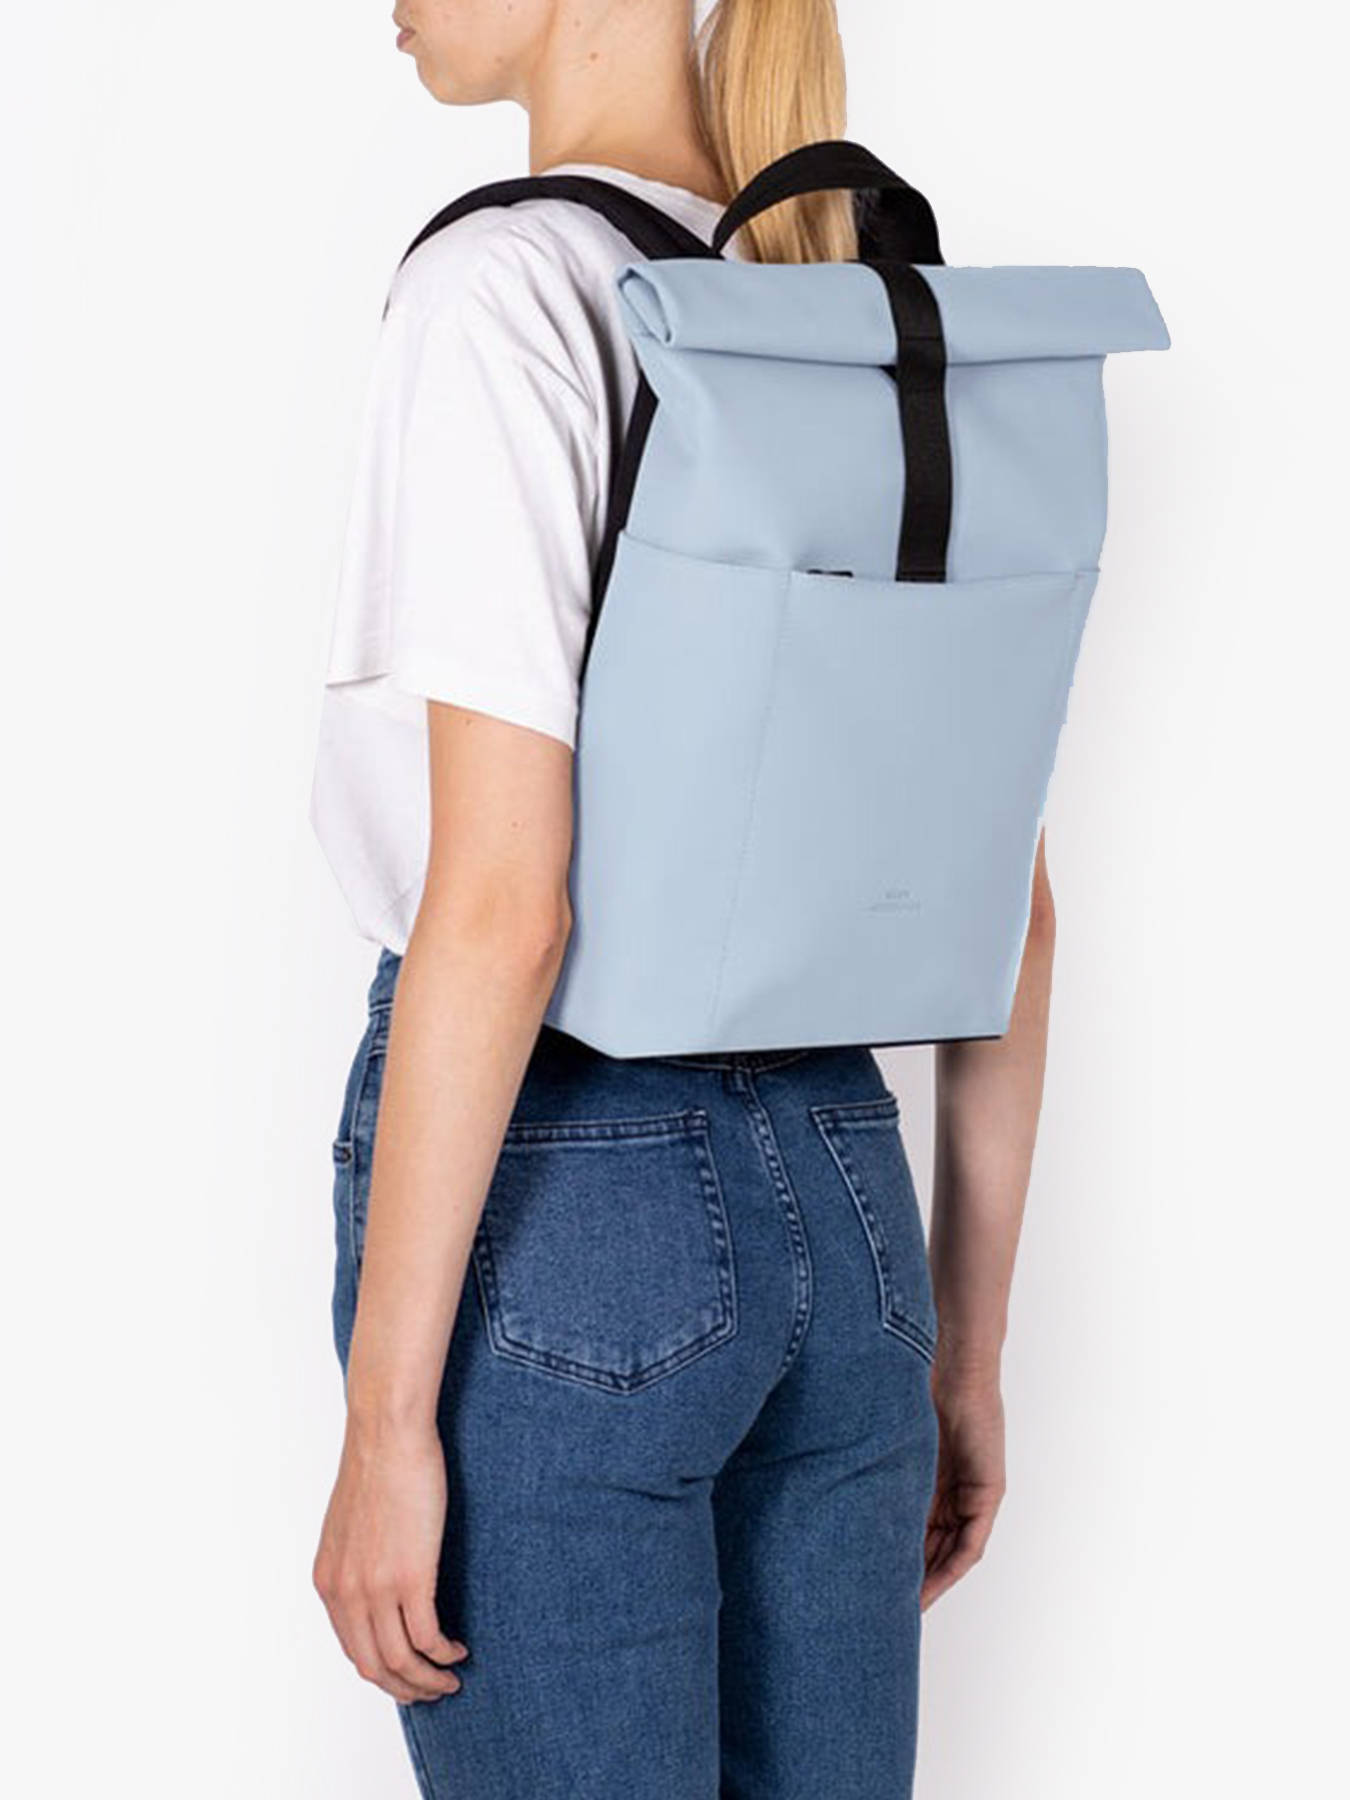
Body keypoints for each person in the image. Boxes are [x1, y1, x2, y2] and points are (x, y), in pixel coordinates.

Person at [309, 2, 1056, 1794]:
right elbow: (1004, 905)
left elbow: (505, 905)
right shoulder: (851, 307)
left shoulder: (503, 293)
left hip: (573, 1195)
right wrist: (963, 1346)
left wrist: (387, 1422)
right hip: (851, 1212)